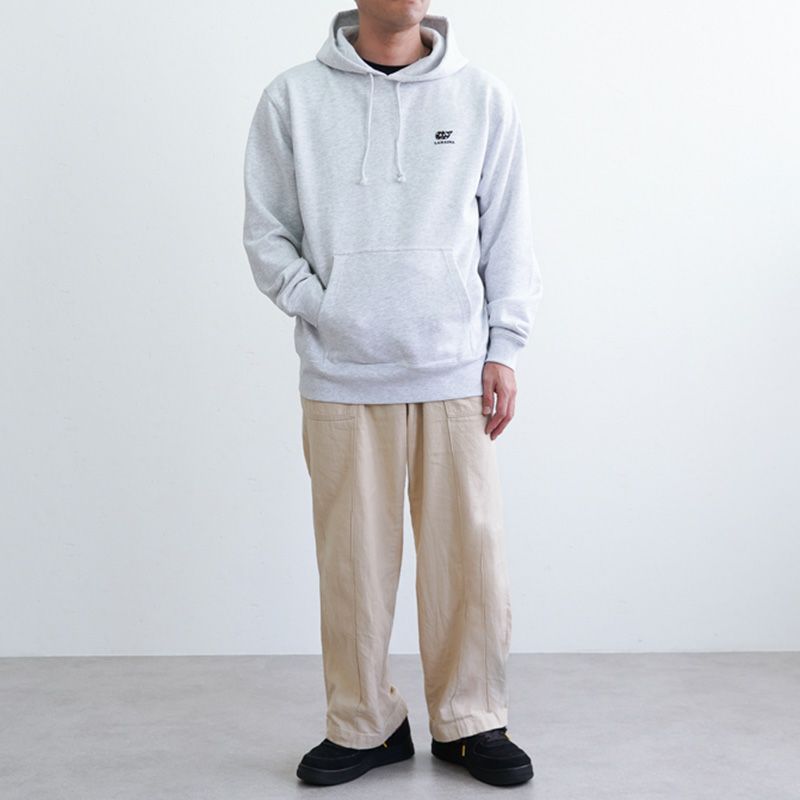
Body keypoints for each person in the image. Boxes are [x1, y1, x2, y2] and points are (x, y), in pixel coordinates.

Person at [242, 0, 543, 788]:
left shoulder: (482, 98)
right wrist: (326, 307)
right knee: (353, 564)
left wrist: (504, 348)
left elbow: (509, 233)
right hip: (342, 373)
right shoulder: (293, 98)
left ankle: (470, 720)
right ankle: (363, 724)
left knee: (470, 557)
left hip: (453, 367)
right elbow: (267, 231)